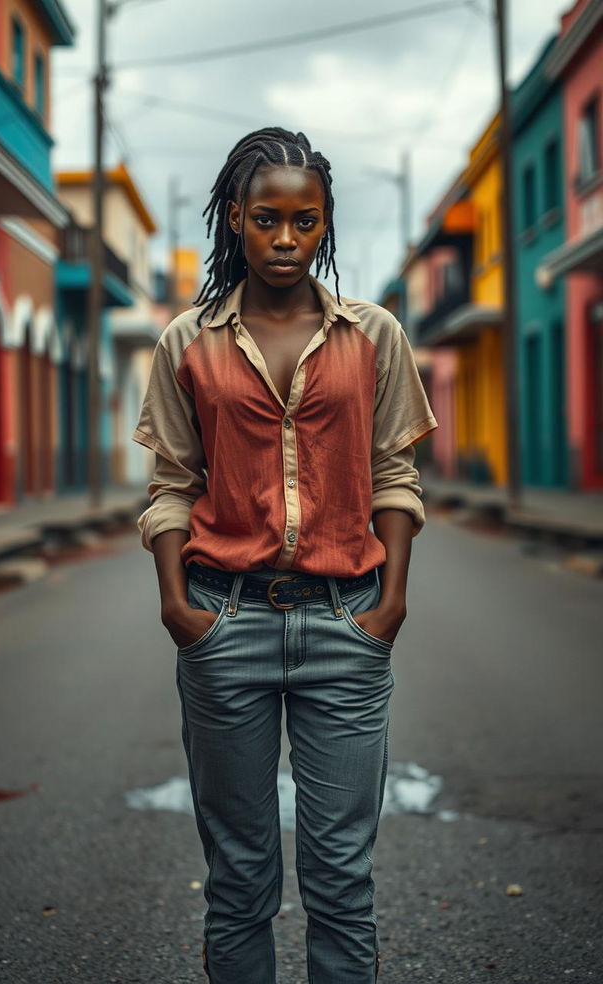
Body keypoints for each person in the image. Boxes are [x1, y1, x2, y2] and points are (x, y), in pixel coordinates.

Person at [132, 126, 438, 984]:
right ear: (234, 218)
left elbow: (394, 472)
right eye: (265, 219)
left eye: (305, 223)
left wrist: (392, 603)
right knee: (239, 882)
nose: (284, 240)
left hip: (348, 621)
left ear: (325, 225)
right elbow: (171, 485)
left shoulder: (373, 335)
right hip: (222, 621)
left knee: (343, 880)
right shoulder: (186, 343)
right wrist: (175, 604)